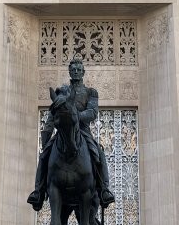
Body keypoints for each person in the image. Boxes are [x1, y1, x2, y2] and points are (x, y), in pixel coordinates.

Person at [27, 58, 116, 211]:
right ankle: (38, 191)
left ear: (83, 72)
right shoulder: (61, 92)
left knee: (99, 153)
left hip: (82, 131)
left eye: (78, 69)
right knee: (44, 156)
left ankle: (104, 189)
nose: (75, 72)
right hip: (62, 131)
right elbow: (52, 114)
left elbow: (92, 112)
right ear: (69, 72)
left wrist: (74, 116)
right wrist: (47, 134)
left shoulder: (90, 92)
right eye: (73, 69)